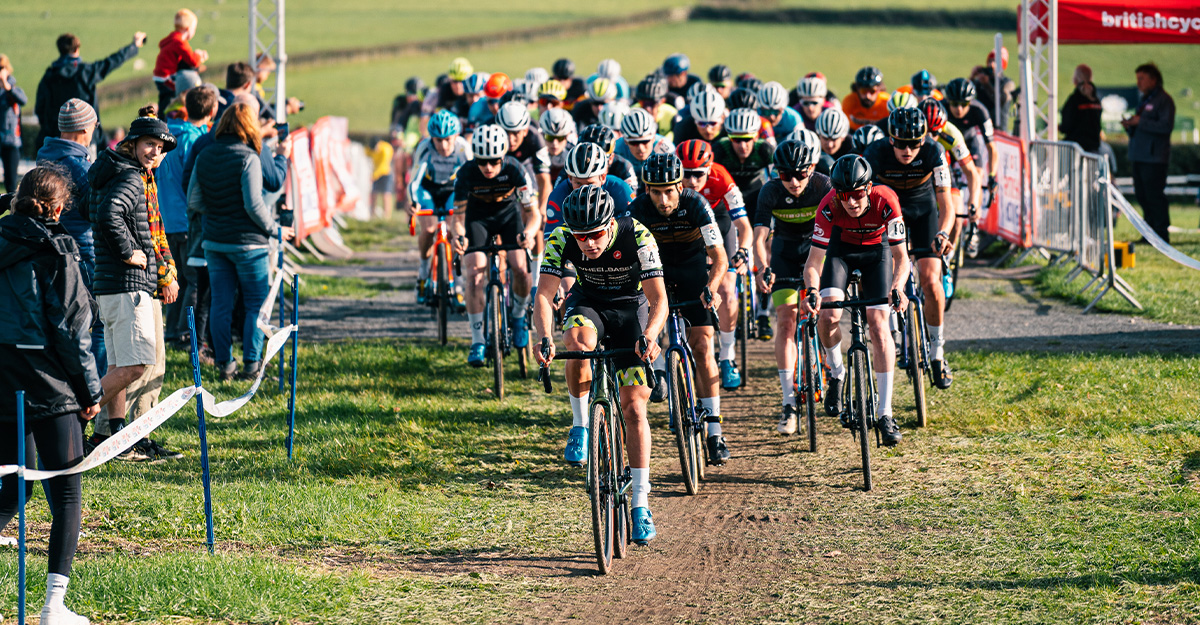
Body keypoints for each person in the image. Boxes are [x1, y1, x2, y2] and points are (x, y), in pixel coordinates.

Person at [533, 184, 667, 545]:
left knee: (634, 407)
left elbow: (658, 300)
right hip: (589, 303)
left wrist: (651, 335)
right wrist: (542, 337)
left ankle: (640, 503)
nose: (589, 244)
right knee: (576, 343)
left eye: (595, 235)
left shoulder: (638, 233)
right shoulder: (561, 238)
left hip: (631, 311)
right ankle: (580, 425)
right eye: (582, 237)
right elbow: (544, 295)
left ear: (610, 224)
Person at [0, 166, 104, 625]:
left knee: (10, 487)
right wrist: (90, 392)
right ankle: (53, 606)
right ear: (59, 207)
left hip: (1, 378)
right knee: (66, 494)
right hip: (49, 381)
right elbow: (71, 330)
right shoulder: (59, 250)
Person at [88, 111, 183, 461]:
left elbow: (89, 209)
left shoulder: (112, 171)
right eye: (149, 145)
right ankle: (70, 412)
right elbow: (108, 215)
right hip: (127, 286)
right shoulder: (130, 178)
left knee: (119, 366)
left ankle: (116, 436)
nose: (155, 152)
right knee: (137, 366)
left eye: (160, 148)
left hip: (110, 284)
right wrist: (130, 253)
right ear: (132, 145)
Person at [800, 155, 910, 446]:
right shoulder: (829, 206)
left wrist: (898, 287)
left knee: (878, 323)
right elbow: (813, 262)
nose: (851, 202)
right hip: (842, 251)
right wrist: (812, 290)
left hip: (878, 253)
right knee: (828, 316)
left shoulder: (886, 200)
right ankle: (836, 372)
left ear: (869, 188)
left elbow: (902, 258)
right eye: (844, 195)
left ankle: (885, 413)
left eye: (858, 194)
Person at [629, 153, 731, 465]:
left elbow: (720, 257)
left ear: (680, 185)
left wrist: (711, 289)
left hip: (691, 271)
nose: (662, 199)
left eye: (669, 191)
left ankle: (714, 431)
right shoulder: (636, 210)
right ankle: (659, 371)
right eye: (655, 191)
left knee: (702, 346)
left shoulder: (697, 204)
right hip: (653, 273)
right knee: (645, 328)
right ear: (646, 189)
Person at [189, 102, 291, 381]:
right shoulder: (250, 157)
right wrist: (276, 230)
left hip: (214, 242)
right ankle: (251, 364)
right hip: (250, 244)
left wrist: (218, 213)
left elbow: (194, 200)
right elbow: (254, 206)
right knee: (255, 305)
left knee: (221, 303)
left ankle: (225, 365)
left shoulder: (205, 154)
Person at [863, 107, 955, 389]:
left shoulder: (934, 152)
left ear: (924, 139)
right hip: (888, 212)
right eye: (901, 143)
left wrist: (943, 232)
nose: (908, 149)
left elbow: (946, 202)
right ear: (890, 139)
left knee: (930, 280)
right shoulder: (874, 153)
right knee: (889, 275)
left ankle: (937, 352)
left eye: (915, 143)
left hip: (923, 211)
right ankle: (891, 334)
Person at [752, 139, 833, 435]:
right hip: (785, 256)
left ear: (812, 169)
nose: (794, 182)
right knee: (785, 321)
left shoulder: (824, 186)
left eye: (800, 174)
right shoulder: (770, 191)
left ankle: (834, 371)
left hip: (819, 254)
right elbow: (759, 239)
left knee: (825, 315)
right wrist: (763, 268)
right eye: (786, 175)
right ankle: (789, 402)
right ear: (777, 173)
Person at [452, 125, 540, 366]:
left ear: (503, 156)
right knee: (474, 274)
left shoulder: (515, 169)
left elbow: (533, 214)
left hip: (508, 216)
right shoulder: (466, 173)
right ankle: (478, 340)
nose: (488, 167)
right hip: (477, 219)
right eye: (482, 161)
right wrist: (459, 236)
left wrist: (530, 233)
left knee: (520, 267)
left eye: (493, 161)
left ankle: (520, 317)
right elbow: (457, 220)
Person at [675, 139, 749, 391]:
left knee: (727, 288)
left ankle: (727, 356)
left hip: (719, 219)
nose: (692, 181)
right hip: (689, 220)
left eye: (698, 174)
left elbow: (744, 226)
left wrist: (743, 250)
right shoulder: (672, 184)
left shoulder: (721, 177)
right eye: (686, 174)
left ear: (709, 168)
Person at [36, 99, 104, 371]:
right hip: (82, 252)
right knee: (98, 322)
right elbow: (95, 211)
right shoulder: (78, 166)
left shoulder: (46, 156)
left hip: (52, 249)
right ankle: (95, 387)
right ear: (87, 129)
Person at [161, 87, 218, 346]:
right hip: (187, 220)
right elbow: (193, 183)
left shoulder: (164, 137)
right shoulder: (194, 140)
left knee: (176, 279)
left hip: (165, 219)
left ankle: (172, 330)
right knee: (193, 280)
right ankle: (187, 333)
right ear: (211, 111)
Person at [35, 31, 147, 149]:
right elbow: (111, 62)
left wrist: (49, 127)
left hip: (56, 136)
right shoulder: (85, 72)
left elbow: (40, 108)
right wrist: (134, 45)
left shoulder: (50, 76)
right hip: (85, 136)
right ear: (77, 49)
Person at [409, 110, 471, 304]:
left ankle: (458, 282)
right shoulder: (425, 148)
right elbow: (414, 181)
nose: (443, 146)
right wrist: (413, 202)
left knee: (455, 230)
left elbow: (471, 177)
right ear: (432, 139)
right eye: (438, 140)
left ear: (455, 137)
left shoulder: (462, 148)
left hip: (452, 189)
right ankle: (423, 272)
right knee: (428, 229)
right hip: (427, 189)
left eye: (447, 140)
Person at [1123, 62, 1175, 244]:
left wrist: (1140, 122)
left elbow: (1166, 126)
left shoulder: (1164, 100)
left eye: (1142, 78)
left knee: (1154, 195)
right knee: (1142, 195)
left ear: (1153, 79)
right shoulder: (1145, 100)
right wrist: (1130, 125)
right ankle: (1149, 233)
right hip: (1139, 155)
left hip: (1154, 158)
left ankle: (1161, 233)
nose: (1138, 83)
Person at [153, 9, 209, 115]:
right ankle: (169, 118)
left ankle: (162, 117)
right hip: (168, 77)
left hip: (160, 76)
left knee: (164, 99)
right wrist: (200, 55)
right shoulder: (180, 42)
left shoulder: (171, 39)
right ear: (188, 29)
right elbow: (193, 61)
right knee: (174, 96)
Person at [615, 108, 674, 181]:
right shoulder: (615, 150)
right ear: (625, 141)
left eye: (645, 141)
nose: (641, 148)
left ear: (653, 138)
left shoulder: (666, 149)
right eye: (634, 143)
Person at [421, 57, 473, 137]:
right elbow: (432, 115)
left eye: (462, 81)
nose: (458, 85)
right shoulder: (444, 90)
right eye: (455, 81)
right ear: (450, 80)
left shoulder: (473, 92)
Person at [0, 55, 28, 193]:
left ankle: (12, 209)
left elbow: (23, 100)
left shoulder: (13, 89)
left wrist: (6, 85)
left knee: (11, 181)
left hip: (11, 140)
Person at [1060, 64, 1103, 153]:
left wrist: (1060, 127)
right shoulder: (1096, 100)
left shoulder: (1074, 100)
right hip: (1093, 149)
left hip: (1076, 148)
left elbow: (1066, 125)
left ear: (1075, 80)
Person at [973, 47, 1015, 132]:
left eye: (996, 61)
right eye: (990, 61)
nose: (992, 64)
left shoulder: (1007, 83)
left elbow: (1001, 101)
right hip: (980, 127)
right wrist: (972, 77)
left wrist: (987, 85)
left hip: (998, 129)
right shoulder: (981, 80)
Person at [842, 66, 890, 131]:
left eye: (872, 91)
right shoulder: (849, 101)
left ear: (879, 90)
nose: (867, 96)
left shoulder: (887, 102)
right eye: (863, 91)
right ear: (857, 89)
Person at [635, 75, 679, 142]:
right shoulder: (631, 112)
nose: (647, 108)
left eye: (651, 103)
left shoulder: (672, 115)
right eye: (643, 103)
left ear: (662, 102)